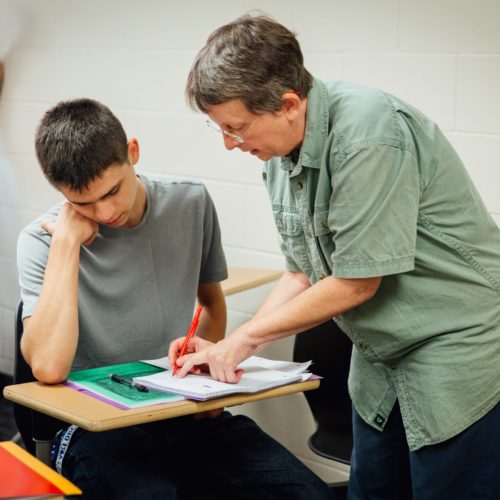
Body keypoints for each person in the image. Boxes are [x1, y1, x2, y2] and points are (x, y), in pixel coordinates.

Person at [172, 14, 500, 500]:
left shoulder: (369, 135)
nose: (230, 144)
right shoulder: (278, 155)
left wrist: (240, 340)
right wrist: (228, 350)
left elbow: (356, 282)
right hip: (379, 358)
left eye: (236, 128)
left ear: (287, 104)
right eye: (219, 128)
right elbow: (301, 272)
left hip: (453, 348)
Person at [16, 98, 333, 500]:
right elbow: (47, 367)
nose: (105, 211)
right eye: (83, 203)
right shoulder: (40, 240)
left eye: (113, 190)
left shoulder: (190, 201)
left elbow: (213, 305)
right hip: (92, 429)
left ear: (133, 152)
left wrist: (210, 375)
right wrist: (66, 244)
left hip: (180, 410)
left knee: (309, 495)